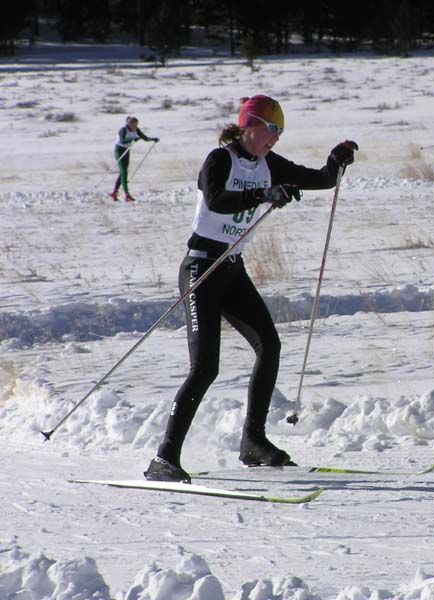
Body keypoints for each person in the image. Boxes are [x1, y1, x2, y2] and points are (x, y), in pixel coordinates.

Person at [144, 94, 358, 482]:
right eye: (271, 129)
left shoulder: (268, 165)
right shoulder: (219, 159)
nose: (275, 138)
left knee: (269, 346)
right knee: (205, 367)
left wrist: (336, 161)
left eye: (280, 132)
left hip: (231, 269)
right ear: (249, 125)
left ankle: (253, 442)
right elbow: (218, 200)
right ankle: (165, 458)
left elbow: (321, 180)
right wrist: (264, 194)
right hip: (201, 269)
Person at [110, 116, 159, 202]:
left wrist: (153, 139)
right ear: (129, 124)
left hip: (127, 150)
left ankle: (114, 192)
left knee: (124, 172)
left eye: (137, 124)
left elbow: (145, 138)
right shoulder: (123, 130)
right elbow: (122, 140)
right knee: (123, 172)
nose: (136, 126)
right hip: (119, 150)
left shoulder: (136, 129)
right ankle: (126, 195)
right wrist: (132, 139)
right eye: (134, 124)